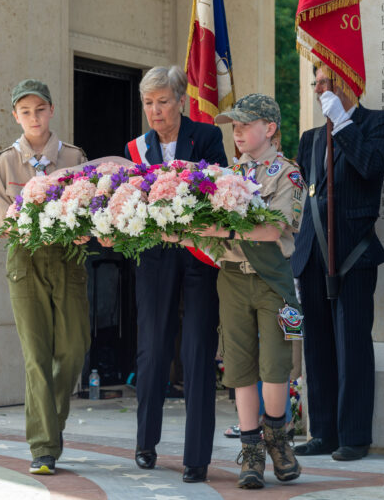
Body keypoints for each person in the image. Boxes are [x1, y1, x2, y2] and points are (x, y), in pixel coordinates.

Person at [169, 94, 303, 488]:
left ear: (271, 128)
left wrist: (219, 230)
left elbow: (272, 229)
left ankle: (278, 439)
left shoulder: (287, 173)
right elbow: (207, 235)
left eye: (246, 124)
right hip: (231, 278)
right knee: (239, 364)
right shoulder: (224, 175)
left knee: (277, 363)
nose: (238, 131)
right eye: (235, 125)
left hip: (273, 279)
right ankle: (251, 453)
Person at [122, 65, 227, 483]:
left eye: (163, 101)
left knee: (198, 351)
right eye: (148, 103)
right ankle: (145, 443)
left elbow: (221, 188)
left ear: (180, 101)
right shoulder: (136, 147)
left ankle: (196, 457)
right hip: (155, 257)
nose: (155, 110)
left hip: (199, 255)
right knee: (152, 349)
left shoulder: (207, 137)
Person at [292, 66, 384, 461]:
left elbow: (370, 167)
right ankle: (324, 432)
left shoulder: (378, 124)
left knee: (352, 345)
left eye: (326, 82)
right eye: (316, 83)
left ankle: (354, 435)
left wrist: (342, 122)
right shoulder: (310, 138)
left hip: (354, 252)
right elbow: (310, 195)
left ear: (349, 82)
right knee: (316, 347)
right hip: (312, 252)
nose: (319, 90)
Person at [0, 79, 90, 476]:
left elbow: (92, 204)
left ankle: (52, 422)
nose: (34, 117)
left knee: (73, 349)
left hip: (67, 258)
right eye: (25, 111)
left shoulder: (75, 157)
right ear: (16, 115)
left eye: (40, 109)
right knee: (36, 356)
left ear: (51, 111)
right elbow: (1, 223)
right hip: (25, 260)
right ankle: (43, 446)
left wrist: (85, 228)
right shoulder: (4, 163)